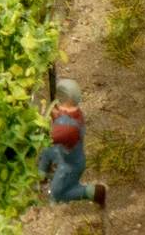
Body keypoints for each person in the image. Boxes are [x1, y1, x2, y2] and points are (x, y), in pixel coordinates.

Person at [37, 78, 107, 209]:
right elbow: (59, 117)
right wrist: (54, 114)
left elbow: (49, 137)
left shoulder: (68, 128)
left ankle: (92, 192)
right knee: (47, 152)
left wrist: (40, 124)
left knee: (58, 193)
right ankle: (42, 175)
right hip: (62, 151)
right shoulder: (75, 113)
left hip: (70, 164)